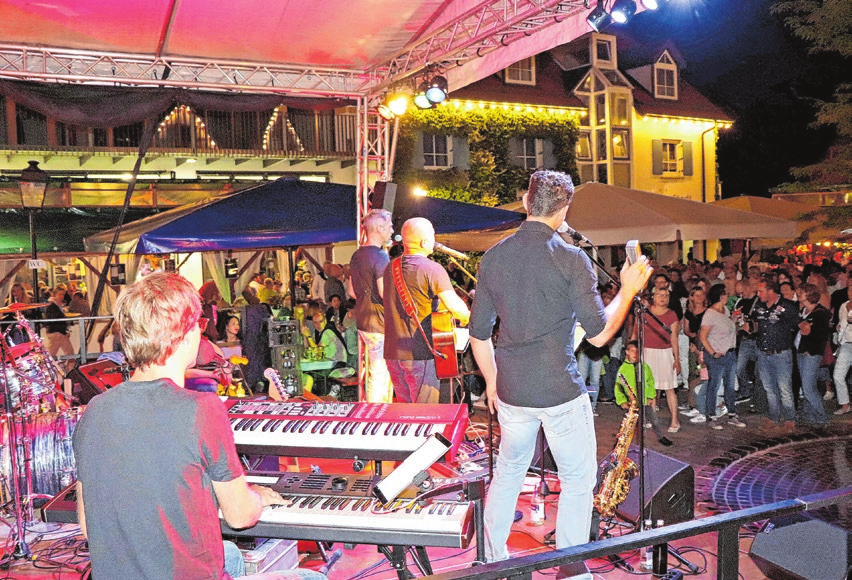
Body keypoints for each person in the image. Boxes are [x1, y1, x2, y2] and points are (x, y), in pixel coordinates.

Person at [72, 272, 325, 580]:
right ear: (185, 335)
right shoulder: (202, 409)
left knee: (229, 554)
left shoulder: (94, 410)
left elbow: (88, 525)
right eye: (198, 325)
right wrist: (255, 496)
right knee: (314, 578)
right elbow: (241, 517)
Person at [469, 170, 651, 577]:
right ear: (565, 208)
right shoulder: (571, 259)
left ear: (524, 201)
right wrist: (627, 289)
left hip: (513, 391)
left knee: (510, 472)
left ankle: (495, 559)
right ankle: (569, 569)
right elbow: (601, 336)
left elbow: (478, 335)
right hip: (559, 392)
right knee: (576, 479)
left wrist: (494, 384)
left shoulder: (494, 256)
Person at [383, 217, 471, 404]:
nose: (435, 239)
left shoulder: (390, 267)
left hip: (393, 352)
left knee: (406, 412)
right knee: (424, 413)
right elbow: (457, 309)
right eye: (432, 235)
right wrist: (469, 319)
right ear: (424, 242)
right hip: (419, 353)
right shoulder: (432, 269)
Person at [349, 209, 394, 403]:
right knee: (380, 374)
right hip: (379, 322)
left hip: (364, 321)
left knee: (377, 371)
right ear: (379, 228)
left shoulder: (357, 255)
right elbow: (386, 293)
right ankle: (377, 416)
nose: (392, 231)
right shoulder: (380, 256)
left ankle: (377, 412)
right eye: (390, 226)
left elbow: (351, 291)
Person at [753, 278, 799, 432]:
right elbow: (755, 324)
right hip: (763, 352)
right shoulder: (759, 305)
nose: (758, 294)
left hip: (781, 353)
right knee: (769, 388)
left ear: (770, 290)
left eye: (761, 291)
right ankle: (774, 416)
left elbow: (798, 324)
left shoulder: (787, 306)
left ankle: (790, 418)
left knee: (784, 387)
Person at [698, 284, 746, 429]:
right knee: (714, 385)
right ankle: (711, 416)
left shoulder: (725, 311)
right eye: (725, 293)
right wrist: (712, 352)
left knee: (730, 386)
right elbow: (703, 336)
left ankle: (732, 414)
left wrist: (735, 321)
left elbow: (728, 330)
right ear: (720, 295)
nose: (727, 296)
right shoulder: (710, 314)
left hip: (730, 353)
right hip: (717, 356)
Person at [637, 287, 681, 433]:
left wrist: (677, 359)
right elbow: (639, 333)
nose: (663, 298)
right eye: (660, 295)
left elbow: (674, 338)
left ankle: (675, 420)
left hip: (665, 352)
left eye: (666, 296)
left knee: (669, 388)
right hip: (648, 352)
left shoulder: (671, 315)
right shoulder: (646, 312)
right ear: (654, 296)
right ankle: (652, 417)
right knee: (650, 388)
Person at [615, 341, 673, 446]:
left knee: (654, 420)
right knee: (628, 424)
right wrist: (622, 401)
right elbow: (618, 387)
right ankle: (621, 442)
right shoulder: (623, 369)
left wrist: (651, 396)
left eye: (638, 352)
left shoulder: (644, 367)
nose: (635, 354)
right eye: (632, 351)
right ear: (627, 352)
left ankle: (660, 437)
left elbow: (650, 381)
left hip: (644, 400)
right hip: (631, 403)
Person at [795, 283, 831, 426]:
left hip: (811, 353)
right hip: (802, 351)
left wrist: (810, 349)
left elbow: (813, 334)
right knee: (808, 386)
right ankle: (809, 414)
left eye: (801, 293)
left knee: (808, 387)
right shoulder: (804, 310)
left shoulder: (819, 313)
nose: (798, 296)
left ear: (809, 295)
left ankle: (822, 416)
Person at [833, 278, 852, 415]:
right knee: (838, 375)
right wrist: (838, 327)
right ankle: (845, 404)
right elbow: (841, 322)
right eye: (850, 290)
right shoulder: (843, 306)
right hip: (845, 344)